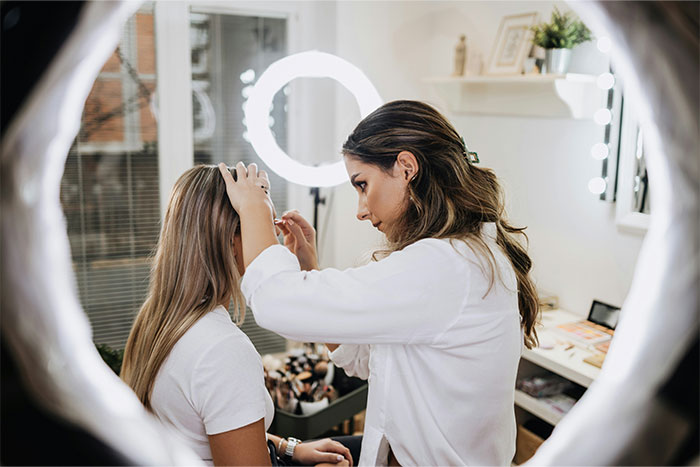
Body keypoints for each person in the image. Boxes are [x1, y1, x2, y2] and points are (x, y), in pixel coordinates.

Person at [218, 100, 539, 466]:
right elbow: (369, 360)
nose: (360, 210)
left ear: (406, 168)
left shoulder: (445, 266)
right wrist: (310, 269)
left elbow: (274, 302)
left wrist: (254, 208)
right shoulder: (461, 256)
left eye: (363, 184)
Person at [120, 165, 353, 466]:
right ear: (231, 240)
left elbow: (211, 432)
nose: (273, 239)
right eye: (262, 224)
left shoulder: (156, 319)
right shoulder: (224, 350)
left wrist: (289, 448)